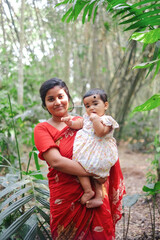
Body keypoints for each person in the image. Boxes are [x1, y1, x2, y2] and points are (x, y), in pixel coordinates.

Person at [34, 77, 125, 240]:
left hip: (96, 192)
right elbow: (56, 162)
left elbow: (103, 143)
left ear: (68, 98)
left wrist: (100, 168)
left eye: (61, 96)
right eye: (50, 99)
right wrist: (96, 170)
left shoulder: (84, 122)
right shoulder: (42, 129)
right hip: (65, 196)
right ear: (44, 104)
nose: (57, 102)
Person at [61, 88, 119, 209]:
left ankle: (98, 196)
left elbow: (100, 133)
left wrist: (96, 121)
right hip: (86, 152)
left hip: (100, 153)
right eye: (87, 106)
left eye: (95, 104)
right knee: (80, 167)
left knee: (98, 177)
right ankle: (88, 191)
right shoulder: (86, 118)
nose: (91, 108)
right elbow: (79, 124)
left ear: (106, 105)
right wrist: (70, 123)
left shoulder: (107, 120)